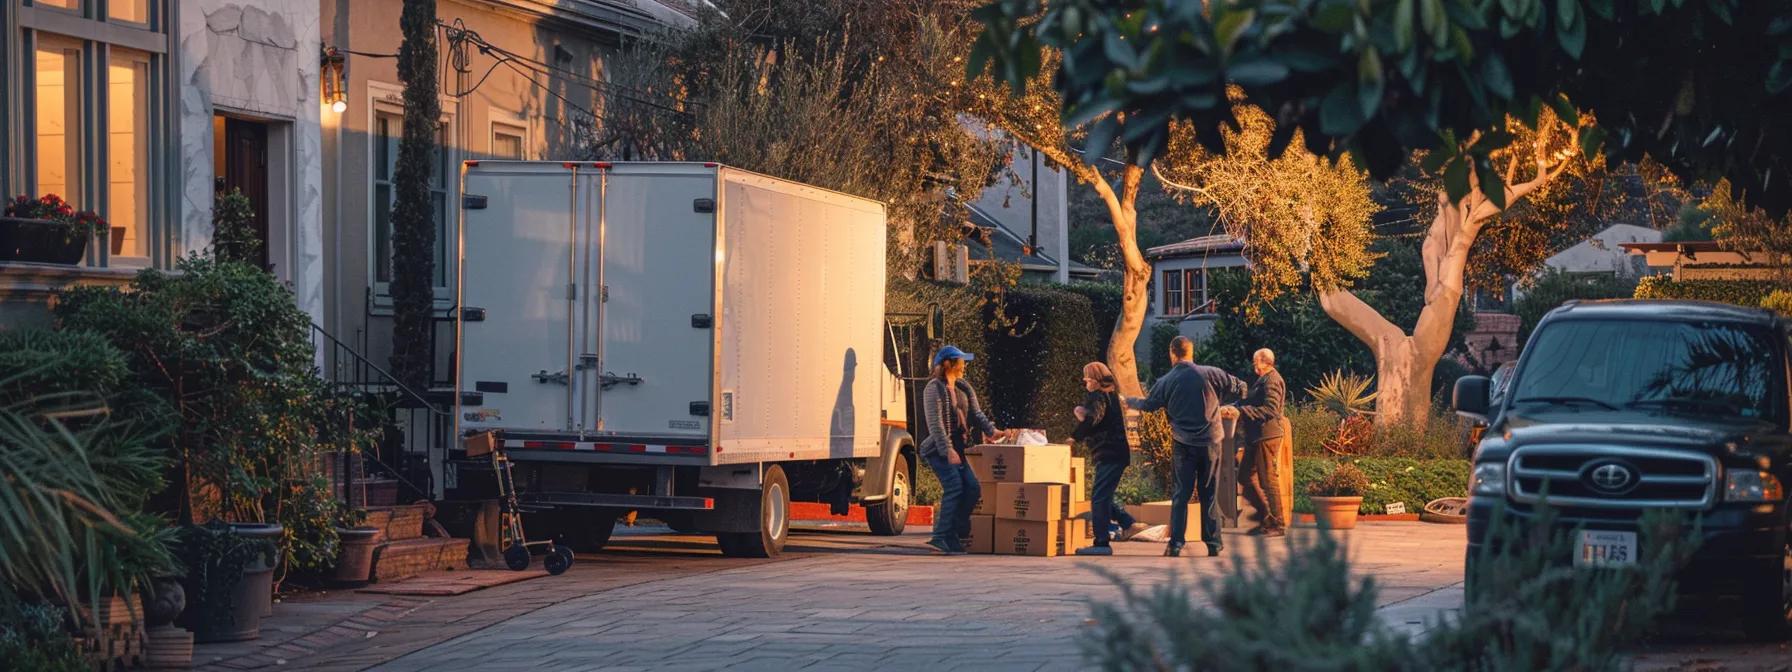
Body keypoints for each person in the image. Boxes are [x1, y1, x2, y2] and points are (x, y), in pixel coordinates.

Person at [1125, 336, 1248, 558]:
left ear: (1173, 354)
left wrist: (1128, 401)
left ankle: (1176, 544)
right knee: (1209, 492)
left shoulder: (1166, 381)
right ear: (1192, 353)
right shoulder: (1212, 373)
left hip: (1183, 443)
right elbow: (1241, 388)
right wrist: (1224, 401)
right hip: (1211, 441)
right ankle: (1213, 543)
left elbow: (1149, 405)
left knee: (1181, 493)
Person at [919, 345, 1008, 555]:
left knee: (973, 488)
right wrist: (947, 450)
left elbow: (976, 413)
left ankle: (953, 533)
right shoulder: (934, 388)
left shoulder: (963, 387)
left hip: (957, 447)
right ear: (948, 364)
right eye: (960, 362)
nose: (964, 366)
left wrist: (992, 431)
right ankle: (941, 536)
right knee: (955, 487)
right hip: (939, 449)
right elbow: (936, 424)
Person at [1071, 362, 1149, 556]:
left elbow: (1093, 418)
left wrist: (1074, 436)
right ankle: (1129, 524)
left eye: (1087, 377)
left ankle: (1101, 543)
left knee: (1098, 497)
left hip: (1109, 453)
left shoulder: (1097, 395)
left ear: (1096, 380)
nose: (1084, 381)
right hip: (1115, 453)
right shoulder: (1110, 395)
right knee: (1102, 496)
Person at [1221, 349, 1288, 537]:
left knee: (1268, 479)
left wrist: (1242, 412)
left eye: (1255, 362)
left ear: (1265, 362)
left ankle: (1277, 523)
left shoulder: (1273, 380)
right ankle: (1266, 517)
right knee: (1244, 476)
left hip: (1267, 435)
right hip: (1256, 436)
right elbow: (1251, 402)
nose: (1254, 365)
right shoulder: (1263, 380)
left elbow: (1270, 409)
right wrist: (1234, 408)